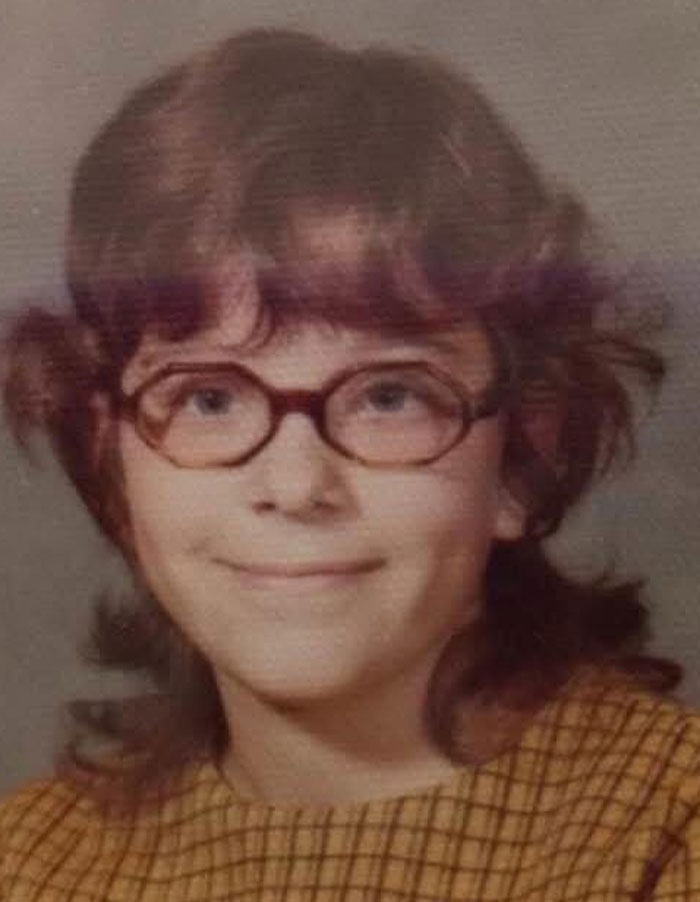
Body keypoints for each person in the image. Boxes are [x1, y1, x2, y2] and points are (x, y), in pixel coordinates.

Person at [0, 26, 697, 901]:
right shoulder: (32, 865)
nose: (296, 486)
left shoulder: (667, 830)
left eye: (390, 397)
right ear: (112, 464)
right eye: (209, 399)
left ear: (522, 455)